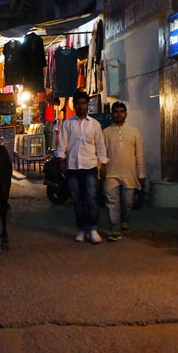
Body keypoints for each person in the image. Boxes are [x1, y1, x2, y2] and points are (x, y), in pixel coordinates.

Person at [56, 90, 109, 244]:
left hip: (90, 167)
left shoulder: (94, 125)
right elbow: (62, 144)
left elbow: (100, 145)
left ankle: (92, 229)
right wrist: (61, 160)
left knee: (92, 199)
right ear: (74, 105)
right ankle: (81, 229)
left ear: (87, 105)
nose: (81, 106)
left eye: (83, 103)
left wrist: (103, 164)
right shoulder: (67, 124)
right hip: (73, 167)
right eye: (78, 103)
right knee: (78, 200)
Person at [101, 102, 145, 241]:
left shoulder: (134, 132)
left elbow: (139, 155)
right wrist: (100, 171)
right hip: (111, 174)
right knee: (112, 203)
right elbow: (101, 154)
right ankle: (115, 229)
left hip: (129, 173)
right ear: (112, 114)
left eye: (121, 111)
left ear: (126, 113)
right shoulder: (105, 132)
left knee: (127, 203)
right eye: (116, 111)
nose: (119, 114)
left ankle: (124, 220)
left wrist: (142, 174)